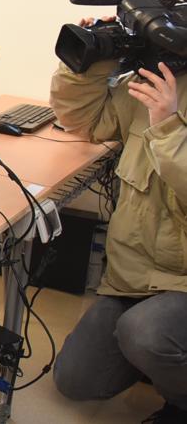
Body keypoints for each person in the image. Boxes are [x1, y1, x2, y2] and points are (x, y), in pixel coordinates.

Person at [50, 47, 187, 423]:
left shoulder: (163, 103)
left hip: (182, 281)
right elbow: (83, 120)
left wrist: (168, 127)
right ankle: (161, 356)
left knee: (144, 333)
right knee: (76, 380)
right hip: (135, 278)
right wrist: (90, 62)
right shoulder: (152, 85)